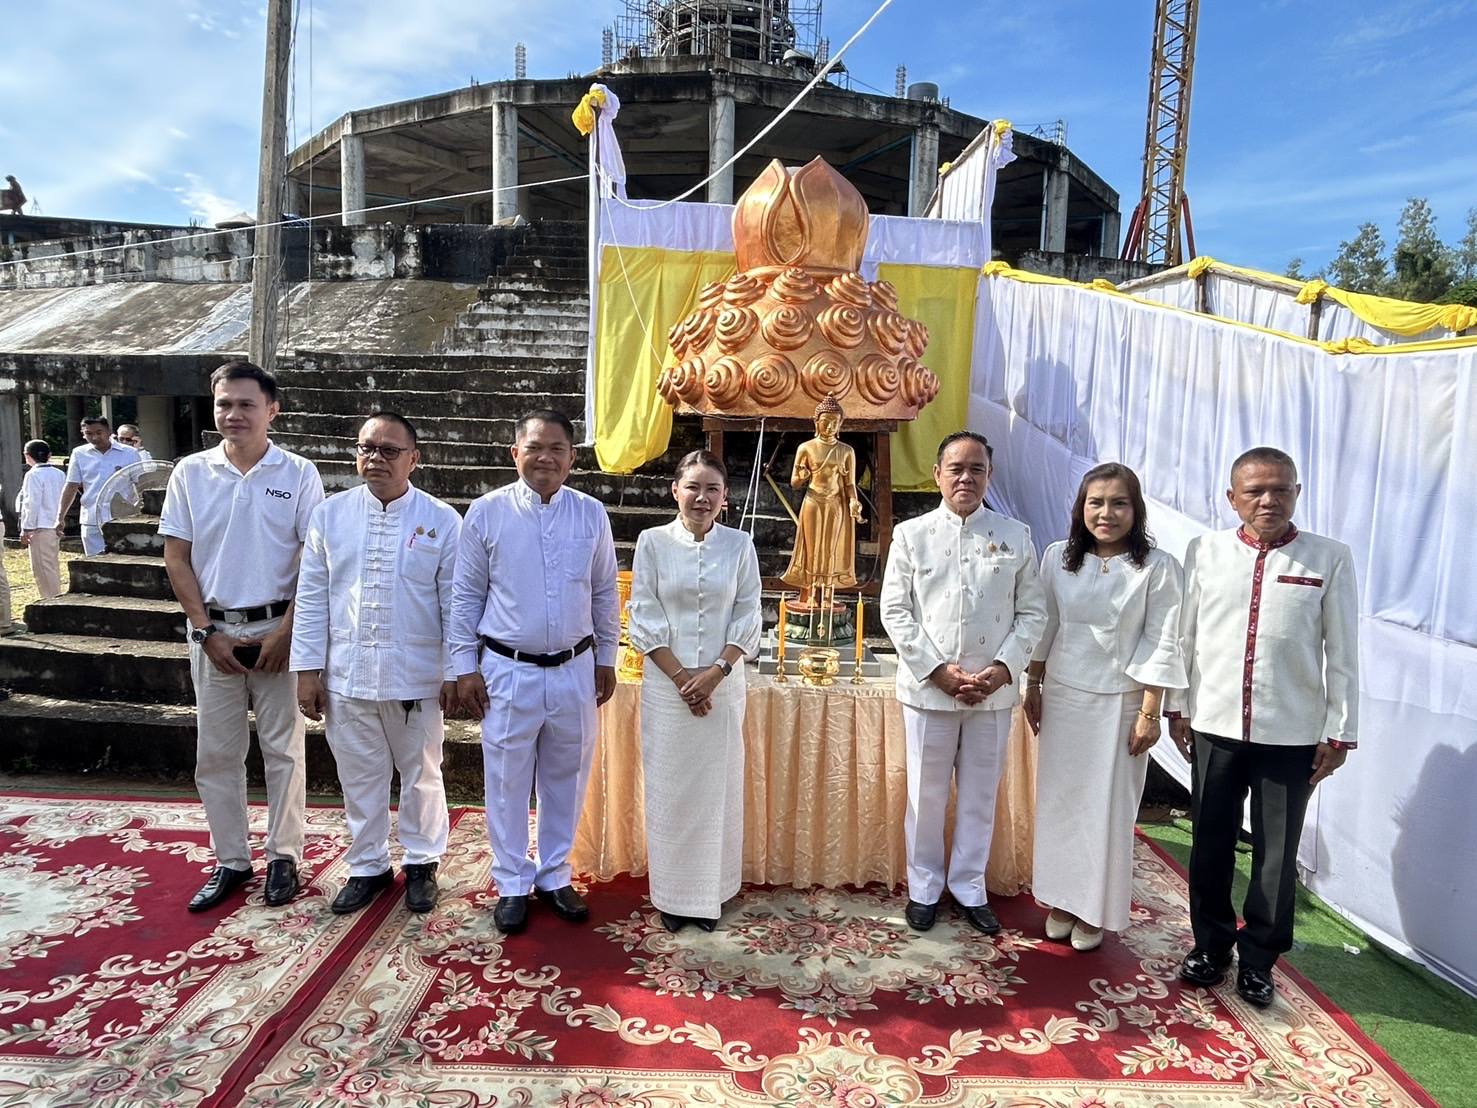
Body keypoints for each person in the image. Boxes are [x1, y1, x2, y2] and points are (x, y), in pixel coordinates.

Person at [1167, 447, 1358, 1009]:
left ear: (1297, 492)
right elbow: (1186, 636)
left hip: (1291, 732)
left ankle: (1259, 960)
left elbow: (1343, 650)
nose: (1268, 501)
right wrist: (1178, 706)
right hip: (1216, 722)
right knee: (1210, 842)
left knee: (1276, 853)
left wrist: (1339, 731)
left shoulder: (1330, 558)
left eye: (1280, 489)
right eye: (1255, 491)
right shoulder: (1205, 552)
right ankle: (1209, 946)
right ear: (1232, 498)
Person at [159, 361, 325, 913]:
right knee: (218, 754)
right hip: (215, 633)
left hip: (280, 630)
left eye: (246, 404)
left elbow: (315, 561)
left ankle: (284, 856)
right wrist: (206, 631)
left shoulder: (298, 473)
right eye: (223, 404)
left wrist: (288, 632)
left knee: (285, 750)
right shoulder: (191, 472)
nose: (233, 414)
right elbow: (176, 557)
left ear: (271, 410)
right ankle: (230, 859)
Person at [450, 409, 620, 935]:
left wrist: (608, 656)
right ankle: (511, 882)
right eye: (535, 447)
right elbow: (465, 595)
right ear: (514, 453)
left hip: (574, 668)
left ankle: (553, 874)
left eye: (557, 448)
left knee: (566, 779)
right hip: (506, 669)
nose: (545, 457)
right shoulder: (486, 512)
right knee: (505, 780)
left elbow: (603, 591)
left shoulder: (591, 514)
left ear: (572, 457)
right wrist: (462, 665)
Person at [292, 412, 460, 915]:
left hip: (416, 676)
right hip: (347, 673)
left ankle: (423, 863)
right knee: (359, 777)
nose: (376, 459)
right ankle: (367, 865)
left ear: (415, 458)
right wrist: (307, 670)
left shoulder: (441, 519)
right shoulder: (330, 515)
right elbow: (313, 595)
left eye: (390, 450)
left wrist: (455, 670)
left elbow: (455, 603)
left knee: (422, 773)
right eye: (368, 448)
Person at [880, 431, 1047, 934]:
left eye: (976, 468)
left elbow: (1033, 611)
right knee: (925, 797)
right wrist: (937, 671)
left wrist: (1002, 669)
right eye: (956, 468)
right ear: (937, 474)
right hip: (930, 691)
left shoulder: (1016, 535)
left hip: (992, 692)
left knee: (979, 795)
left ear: (989, 476)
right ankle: (925, 887)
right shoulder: (911, 535)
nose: (966, 478)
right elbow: (895, 610)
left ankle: (969, 886)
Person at [1023, 463, 1186, 952]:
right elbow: (1045, 624)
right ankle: (1062, 899)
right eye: (1096, 502)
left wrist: (1151, 711)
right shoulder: (1058, 558)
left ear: (1135, 511)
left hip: (1122, 703)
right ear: (1081, 508)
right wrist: (1033, 683)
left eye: (1119, 503)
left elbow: (1163, 640)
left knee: (1107, 809)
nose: (1106, 513)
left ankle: (1095, 908)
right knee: (1062, 803)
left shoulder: (1157, 567)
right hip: (1065, 697)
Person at [627, 450, 762, 933]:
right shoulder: (652, 542)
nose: (701, 498)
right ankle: (672, 895)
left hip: (723, 689)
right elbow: (643, 613)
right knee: (671, 790)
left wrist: (716, 673)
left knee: (717, 792)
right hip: (668, 690)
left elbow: (748, 614)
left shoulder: (740, 545)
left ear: (725, 498)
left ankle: (712, 894)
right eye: (693, 487)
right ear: (675, 491)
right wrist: (684, 677)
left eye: (712, 489)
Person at [781, 393, 863, 609]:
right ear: (816, 422)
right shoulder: (806, 448)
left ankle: (828, 591)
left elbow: (849, 484)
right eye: (825, 422)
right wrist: (803, 474)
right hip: (813, 500)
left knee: (830, 547)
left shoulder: (846, 451)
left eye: (834, 423)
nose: (829, 427)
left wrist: (853, 502)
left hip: (835, 503)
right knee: (812, 547)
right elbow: (795, 482)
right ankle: (810, 590)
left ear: (840, 424)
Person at [55, 416, 141, 555]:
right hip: (92, 517)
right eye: (89, 433)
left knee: (125, 559)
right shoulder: (79, 453)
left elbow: (141, 484)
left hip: (123, 516)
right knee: (95, 563)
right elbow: (71, 485)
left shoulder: (130, 453)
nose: (94, 437)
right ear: (83, 434)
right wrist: (60, 517)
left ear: (109, 432)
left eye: (99, 432)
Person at [18, 440, 66, 601]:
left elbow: (31, 503)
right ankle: (55, 598)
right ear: (49, 455)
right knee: (51, 566)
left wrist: (26, 528)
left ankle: (51, 601)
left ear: (27, 455)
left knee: (42, 569)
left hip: (40, 526)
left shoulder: (33, 474)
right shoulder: (59, 473)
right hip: (55, 524)